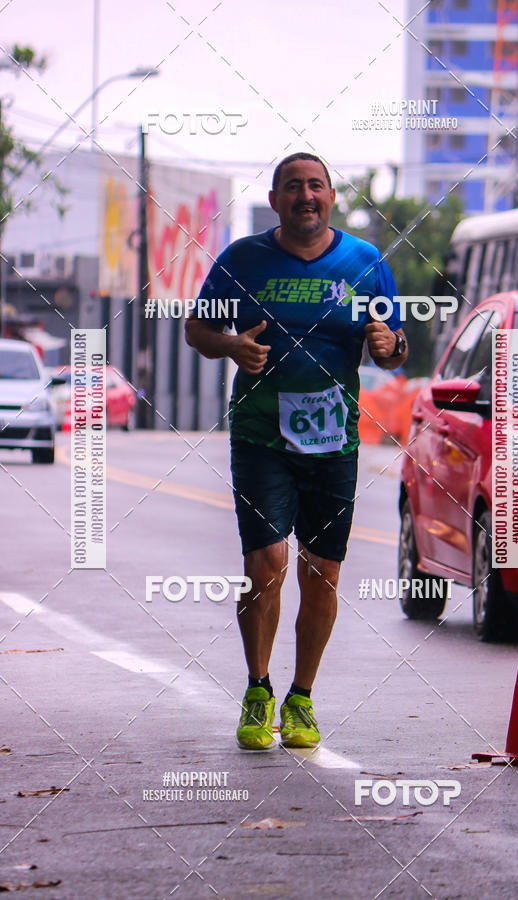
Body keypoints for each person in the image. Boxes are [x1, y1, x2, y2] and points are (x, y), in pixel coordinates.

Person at [185, 152, 407, 751]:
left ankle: (302, 697)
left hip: (334, 442)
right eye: (292, 187)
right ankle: (258, 688)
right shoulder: (243, 260)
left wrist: (388, 343)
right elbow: (196, 329)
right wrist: (233, 346)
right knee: (266, 566)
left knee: (323, 572)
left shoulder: (365, 262)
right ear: (277, 198)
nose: (305, 196)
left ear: (332, 195)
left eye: (315, 186)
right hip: (261, 437)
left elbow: (393, 346)